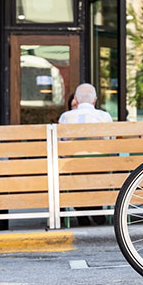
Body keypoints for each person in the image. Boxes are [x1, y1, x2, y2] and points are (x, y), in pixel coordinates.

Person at [58, 83, 113, 226]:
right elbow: (112, 145)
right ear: (94, 100)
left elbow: (60, 146)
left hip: (74, 170)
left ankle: (81, 209)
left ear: (75, 99)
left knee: (70, 168)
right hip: (100, 171)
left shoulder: (65, 117)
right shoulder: (105, 116)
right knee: (96, 165)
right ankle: (95, 207)